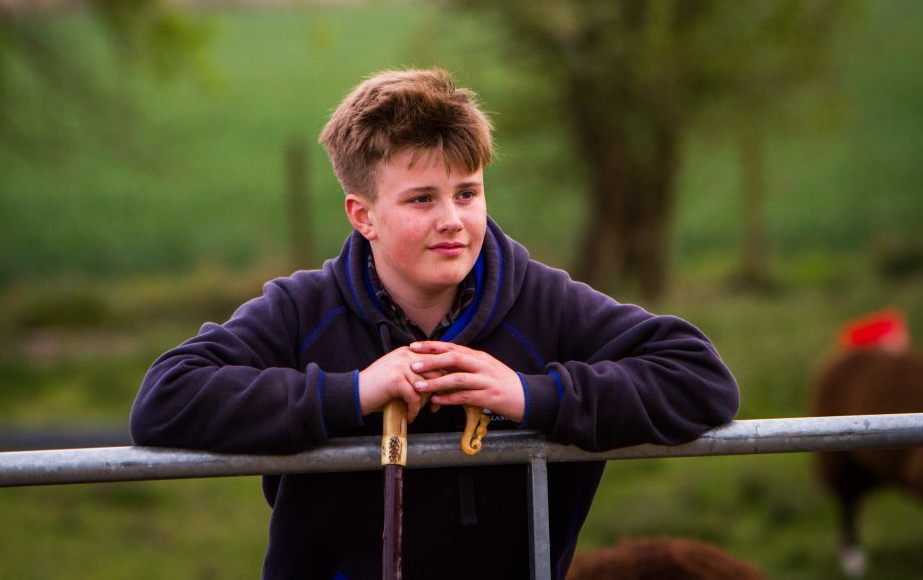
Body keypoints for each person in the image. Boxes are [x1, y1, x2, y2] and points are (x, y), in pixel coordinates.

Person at [129, 68, 740, 580]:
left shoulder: (545, 301)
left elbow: (700, 378)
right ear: (362, 215)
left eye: (468, 193)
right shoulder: (301, 310)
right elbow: (165, 396)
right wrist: (351, 393)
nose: (453, 219)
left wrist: (533, 394)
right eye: (422, 199)